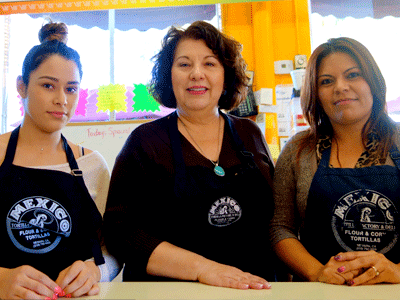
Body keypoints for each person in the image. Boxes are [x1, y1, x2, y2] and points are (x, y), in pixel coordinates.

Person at [103, 20, 276, 289]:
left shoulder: (249, 133)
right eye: (184, 64)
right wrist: (203, 269)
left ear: (226, 75)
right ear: (168, 76)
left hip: (253, 289)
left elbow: (274, 217)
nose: (196, 74)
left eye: (209, 63)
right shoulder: (145, 142)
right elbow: (120, 231)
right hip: (167, 292)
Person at [0, 20, 118, 299]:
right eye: (48, 86)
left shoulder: (91, 163)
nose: (61, 100)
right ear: (22, 86)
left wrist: (97, 271)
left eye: (71, 89)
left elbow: (113, 248)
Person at [270, 37, 400, 286]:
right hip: (321, 292)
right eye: (326, 81)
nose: (340, 87)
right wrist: (318, 272)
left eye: (353, 75)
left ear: (373, 82)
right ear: (315, 94)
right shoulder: (298, 150)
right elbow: (279, 228)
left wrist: (397, 271)